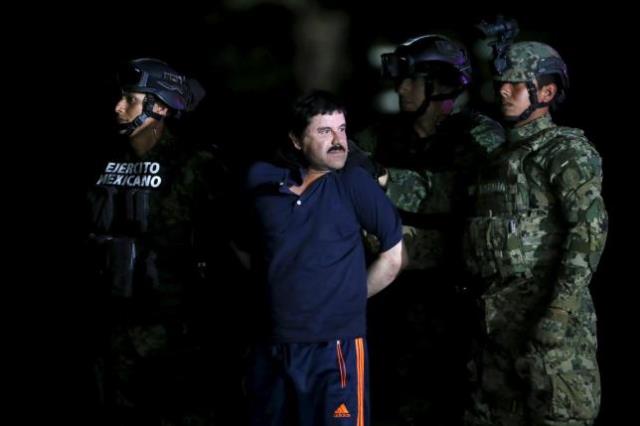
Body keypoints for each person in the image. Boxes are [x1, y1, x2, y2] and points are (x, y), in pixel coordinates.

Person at [354, 34, 504, 424]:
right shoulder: (378, 136)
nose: (401, 88)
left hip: (450, 305)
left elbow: (459, 195)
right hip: (388, 304)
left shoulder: (479, 137)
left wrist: (386, 181)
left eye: (412, 79)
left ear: (439, 85)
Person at [241, 90, 407, 426]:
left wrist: (343, 300)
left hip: (336, 346)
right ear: (296, 140)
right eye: (324, 131)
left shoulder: (353, 183)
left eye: (342, 129)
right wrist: (273, 289)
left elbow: (394, 256)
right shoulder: (261, 180)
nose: (339, 140)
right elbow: (240, 243)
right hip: (272, 344)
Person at [463, 41, 608, 426]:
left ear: (546, 92)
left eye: (516, 83)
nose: (503, 91)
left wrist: (560, 309)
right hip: (494, 322)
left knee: (560, 415)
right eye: (500, 83)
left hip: (545, 319)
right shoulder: (495, 161)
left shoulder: (564, 151)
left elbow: (589, 228)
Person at [86, 58, 233, 425]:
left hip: (176, 340)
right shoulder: (102, 161)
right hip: (112, 331)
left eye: (132, 100)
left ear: (162, 106)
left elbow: (230, 246)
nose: (119, 108)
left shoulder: (196, 164)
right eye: (122, 98)